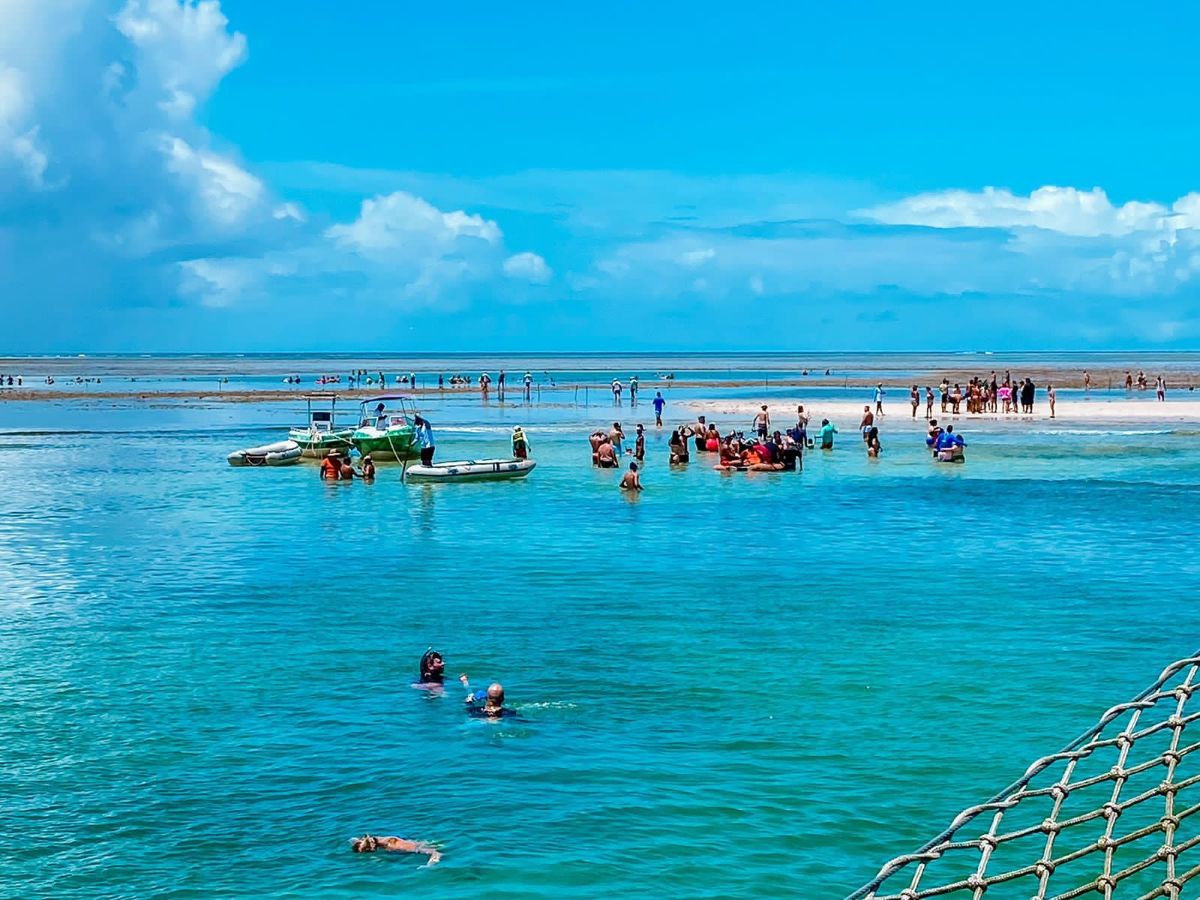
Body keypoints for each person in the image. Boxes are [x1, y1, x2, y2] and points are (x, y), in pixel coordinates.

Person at [351, 835, 441, 864]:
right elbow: (353, 839)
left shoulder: (392, 845)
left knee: (434, 853)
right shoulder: (379, 839)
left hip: (422, 847)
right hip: (426, 842)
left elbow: (434, 852)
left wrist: (429, 865)